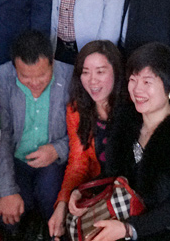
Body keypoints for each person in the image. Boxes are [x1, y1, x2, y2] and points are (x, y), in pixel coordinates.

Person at [83, 42, 170, 241]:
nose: (137, 89)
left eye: (147, 82)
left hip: (167, 228)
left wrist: (129, 229)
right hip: (124, 214)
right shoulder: (125, 121)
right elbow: (112, 175)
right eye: (133, 80)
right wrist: (84, 194)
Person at [0, 30, 73, 239]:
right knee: (10, 214)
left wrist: (58, 149)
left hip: (55, 161)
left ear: (52, 63)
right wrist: (7, 191)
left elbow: (82, 131)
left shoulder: (70, 76)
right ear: (14, 67)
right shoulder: (2, 77)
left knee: (50, 198)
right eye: (26, 77)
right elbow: (1, 136)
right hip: (16, 159)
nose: (35, 83)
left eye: (42, 76)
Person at [47, 40, 128, 239]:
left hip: (127, 194)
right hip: (96, 192)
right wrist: (62, 204)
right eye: (85, 72)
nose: (92, 81)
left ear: (116, 72)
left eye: (100, 72)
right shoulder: (77, 109)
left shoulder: (132, 106)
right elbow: (78, 163)